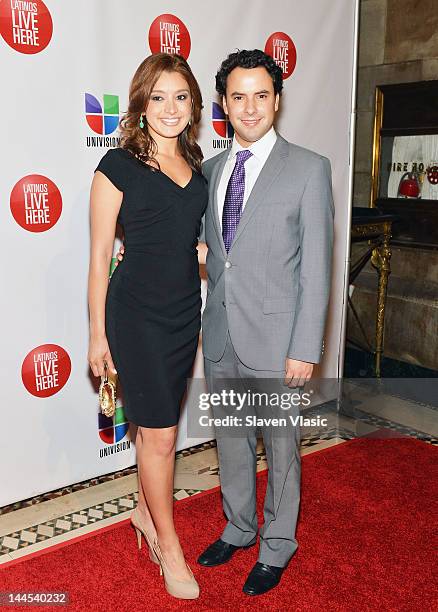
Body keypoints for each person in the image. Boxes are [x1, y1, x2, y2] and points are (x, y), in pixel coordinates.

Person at [116, 48, 334, 596]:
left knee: (281, 447)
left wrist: (306, 347)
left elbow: (317, 269)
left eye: (261, 95)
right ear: (222, 104)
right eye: (238, 96)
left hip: (280, 338)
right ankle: (238, 528)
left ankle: (277, 544)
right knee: (232, 441)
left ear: (277, 101)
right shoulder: (205, 171)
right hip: (218, 332)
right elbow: (201, 249)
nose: (250, 107)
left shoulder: (309, 169)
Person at [87, 53, 208, 600]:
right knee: (159, 435)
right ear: (140, 104)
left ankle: (142, 510)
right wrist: (96, 334)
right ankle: (169, 543)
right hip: (135, 314)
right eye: (157, 97)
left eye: (180, 97)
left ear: (195, 106)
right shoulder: (117, 166)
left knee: (160, 432)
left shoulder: (199, 167)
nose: (169, 108)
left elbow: (187, 240)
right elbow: (98, 258)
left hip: (185, 313)